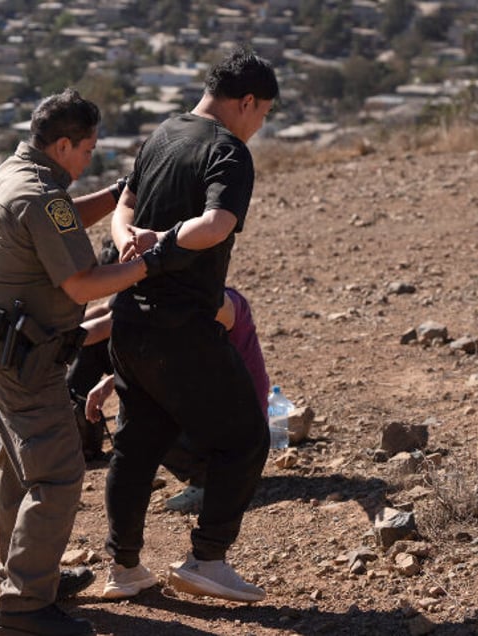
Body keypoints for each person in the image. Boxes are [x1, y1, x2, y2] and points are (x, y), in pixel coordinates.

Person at [0, 89, 159, 636]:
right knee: (56, 474)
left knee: (17, 464)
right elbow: (81, 284)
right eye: (86, 149)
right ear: (63, 143)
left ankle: (25, 577)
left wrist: (118, 194)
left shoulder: (14, 174)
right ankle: (25, 612)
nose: (88, 159)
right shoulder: (38, 194)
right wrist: (153, 263)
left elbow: (62, 221)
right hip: (25, 357)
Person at [103, 48, 280, 604]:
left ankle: (124, 568)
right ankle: (207, 559)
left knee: (138, 444)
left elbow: (122, 205)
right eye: (263, 113)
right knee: (247, 438)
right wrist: (162, 248)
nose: (260, 125)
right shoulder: (229, 150)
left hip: (129, 321)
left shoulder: (163, 133)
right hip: (181, 326)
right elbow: (217, 223)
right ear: (246, 101)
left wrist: (128, 245)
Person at [83, 286, 269, 516]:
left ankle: (209, 481)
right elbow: (109, 313)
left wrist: (47, 339)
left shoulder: (211, 303)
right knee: (138, 390)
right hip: (232, 418)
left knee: (141, 404)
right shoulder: (183, 295)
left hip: (238, 425)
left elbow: (107, 325)